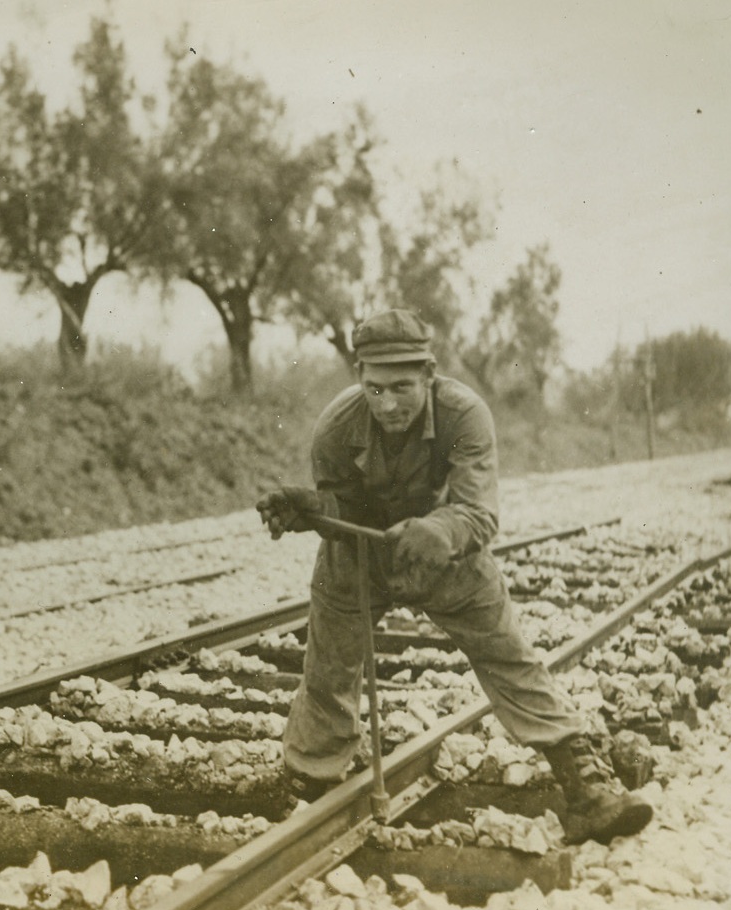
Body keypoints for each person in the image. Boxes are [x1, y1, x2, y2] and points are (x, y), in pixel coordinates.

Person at [256, 309, 651, 845]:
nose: (387, 404)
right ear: (359, 377)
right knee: (327, 669)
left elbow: (480, 514)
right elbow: (344, 507)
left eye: (401, 388)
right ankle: (308, 783)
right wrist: (313, 509)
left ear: (429, 374)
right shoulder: (336, 426)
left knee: (510, 656)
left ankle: (586, 788)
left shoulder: (466, 415)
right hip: (361, 556)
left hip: (450, 558)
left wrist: (437, 531)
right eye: (374, 389)